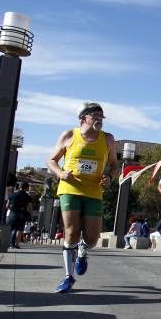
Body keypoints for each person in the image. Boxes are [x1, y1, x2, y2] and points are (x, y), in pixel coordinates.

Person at [47, 101, 117, 293]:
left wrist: (109, 177)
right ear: (83, 118)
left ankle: (83, 251)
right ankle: (68, 277)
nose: (99, 119)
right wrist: (60, 173)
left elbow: (114, 165)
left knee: (93, 238)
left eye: (101, 116)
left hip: (94, 191)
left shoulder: (108, 139)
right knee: (71, 232)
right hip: (70, 188)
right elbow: (51, 160)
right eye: (95, 115)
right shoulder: (70, 135)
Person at [6, 182, 33, 249]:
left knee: (11, 228)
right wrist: (30, 215)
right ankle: (16, 244)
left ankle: (9, 243)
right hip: (22, 214)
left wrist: (12, 209)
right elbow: (30, 208)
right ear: (26, 188)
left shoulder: (12, 195)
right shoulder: (28, 197)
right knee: (20, 229)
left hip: (12, 213)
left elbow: (7, 206)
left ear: (19, 187)